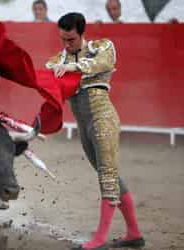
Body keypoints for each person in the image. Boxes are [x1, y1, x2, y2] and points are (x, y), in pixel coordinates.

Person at [46, 13, 144, 250]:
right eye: (63, 40)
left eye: (71, 39)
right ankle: (134, 233)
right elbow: (49, 78)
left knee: (107, 176)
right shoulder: (57, 60)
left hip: (103, 119)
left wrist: (73, 66)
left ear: (81, 33)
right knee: (109, 175)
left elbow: (104, 63)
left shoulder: (103, 47)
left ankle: (99, 239)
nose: (66, 45)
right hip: (84, 125)